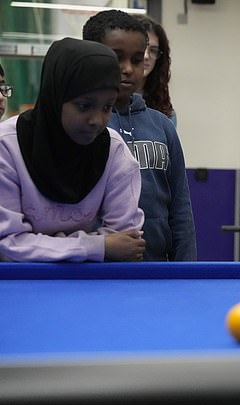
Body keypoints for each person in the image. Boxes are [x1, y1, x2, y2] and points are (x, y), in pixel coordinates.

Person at [0, 37, 145, 262]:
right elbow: (8, 245)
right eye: (84, 106)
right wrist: (96, 245)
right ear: (55, 98)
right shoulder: (7, 146)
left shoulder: (114, 151)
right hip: (19, 286)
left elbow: (126, 242)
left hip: (87, 287)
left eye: (107, 107)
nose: (96, 120)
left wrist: (42, 245)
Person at [83, 10, 197, 261]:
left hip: (157, 267)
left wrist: (186, 268)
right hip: (94, 269)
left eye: (136, 60)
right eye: (116, 58)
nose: (127, 69)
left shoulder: (162, 126)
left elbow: (180, 208)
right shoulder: (82, 126)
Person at [134, 14, 177, 126]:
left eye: (153, 50)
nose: (146, 56)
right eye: (142, 47)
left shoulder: (165, 112)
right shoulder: (106, 103)